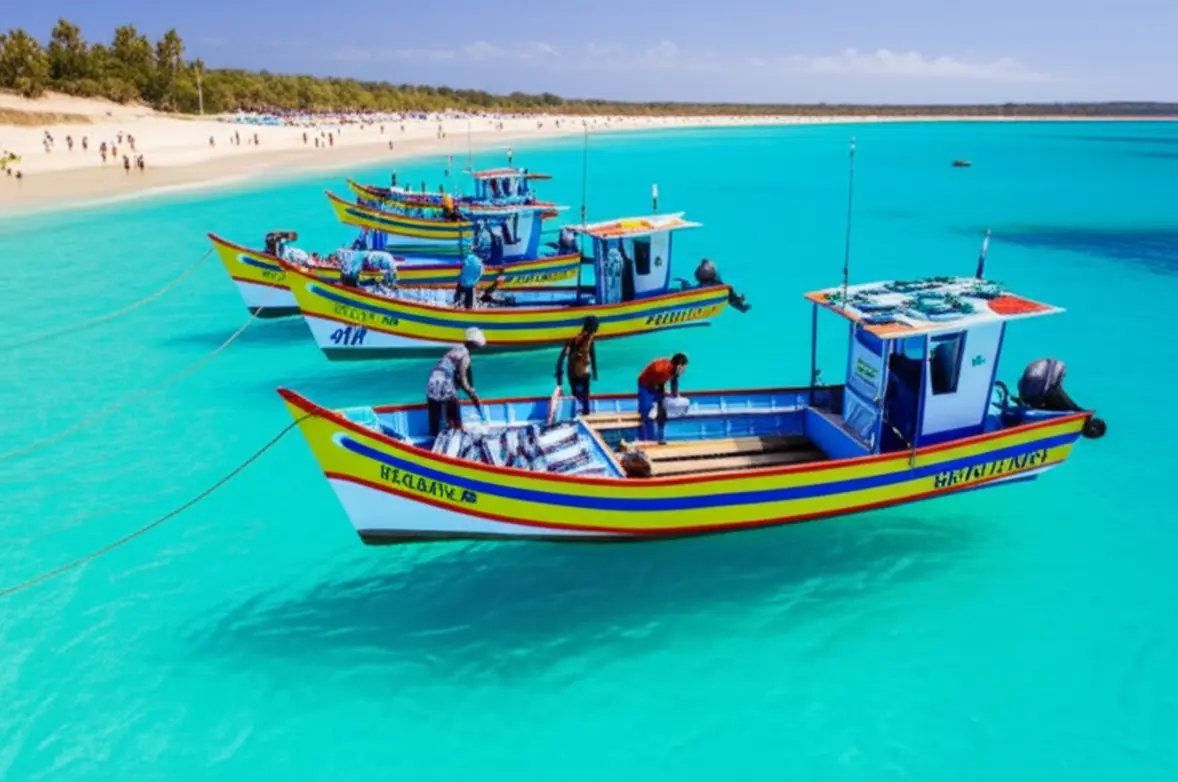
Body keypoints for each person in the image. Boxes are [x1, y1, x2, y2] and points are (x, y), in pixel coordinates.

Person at [425, 327, 486, 437]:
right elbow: (463, 379)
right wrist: (473, 395)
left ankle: (434, 435)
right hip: (444, 385)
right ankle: (457, 429)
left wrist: (469, 389)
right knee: (453, 406)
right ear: (474, 343)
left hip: (431, 383)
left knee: (435, 416)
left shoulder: (456, 349)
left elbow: (463, 376)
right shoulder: (465, 356)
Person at [637, 353, 688, 443]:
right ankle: (647, 439)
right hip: (645, 385)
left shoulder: (674, 369)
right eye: (684, 368)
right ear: (679, 366)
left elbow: (674, 382)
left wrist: (675, 395)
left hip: (657, 383)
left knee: (662, 412)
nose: (684, 370)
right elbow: (658, 384)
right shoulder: (661, 370)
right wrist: (662, 394)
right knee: (647, 413)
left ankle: (660, 437)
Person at [556, 316, 600, 415]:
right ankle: (585, 412)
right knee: (585, 395)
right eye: (596, 326)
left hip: (572, 372)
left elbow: (563, 356)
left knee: (576, 394)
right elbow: (592, 355)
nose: (597, 328)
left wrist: (559, 372)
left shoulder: (573, 339)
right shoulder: (587, 339)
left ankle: (577, 412)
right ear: (591, 327)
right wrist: (595, 371)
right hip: (582, 371)